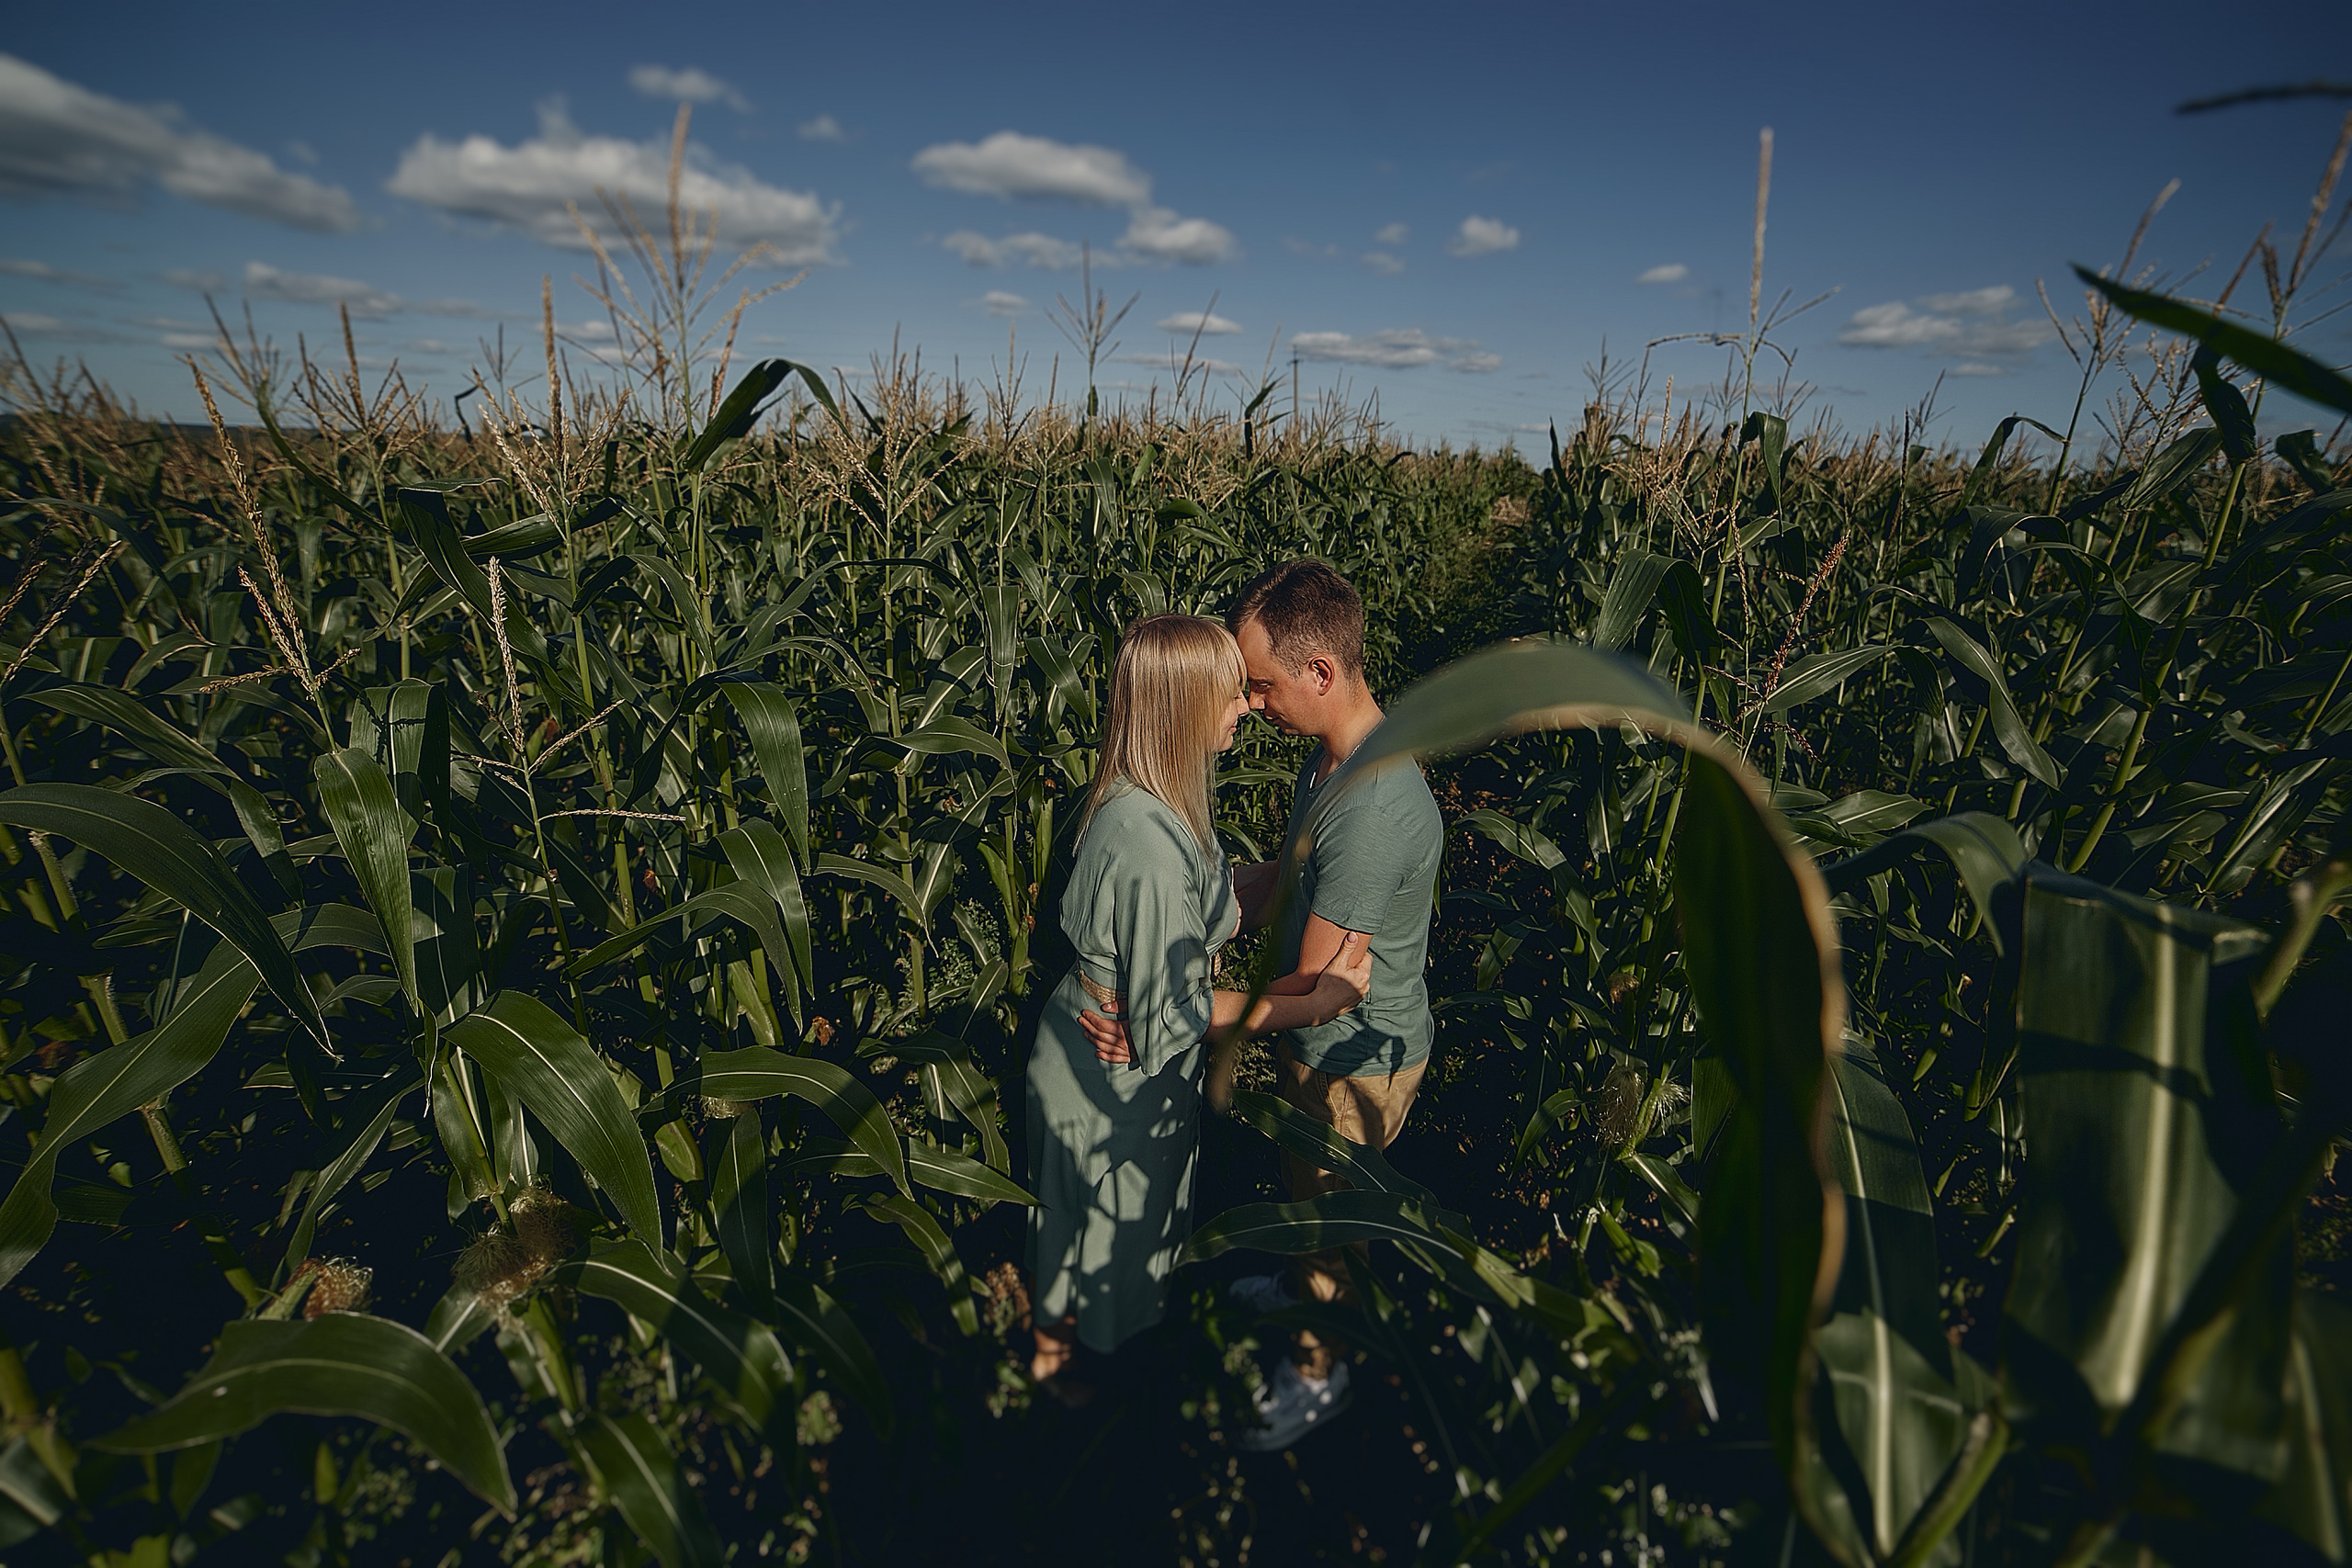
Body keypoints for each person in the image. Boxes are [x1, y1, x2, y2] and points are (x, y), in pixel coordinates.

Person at [1081, 560, 1445, 1451]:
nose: (1251, 703)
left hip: (1351, 1057)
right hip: (1319, 1040)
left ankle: (1322, 1369)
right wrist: (1185, 911)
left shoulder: (1370, 806)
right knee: (1302, 1190)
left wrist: (1165, 1011)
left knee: (1328, 1219)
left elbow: (1309, 995)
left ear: (1321, 674)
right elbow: (1284, 880)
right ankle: (1297, 1291)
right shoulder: (1332, 763)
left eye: (1262, 685)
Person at [1026, 613, 1373, 1398]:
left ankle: (1055, 1363)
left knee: (1076, 1217)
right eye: (1228, 694)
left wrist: (1295, 872)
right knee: (1106, 1230)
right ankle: (1082, 1393)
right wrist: (1317, 1002)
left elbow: (1207, 900)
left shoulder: (1152, 795)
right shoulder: (1147, 842)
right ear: (1182, 707)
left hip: (1109, 1041)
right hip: (1109, 1068)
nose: (1245, 708)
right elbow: (1168, 1017)